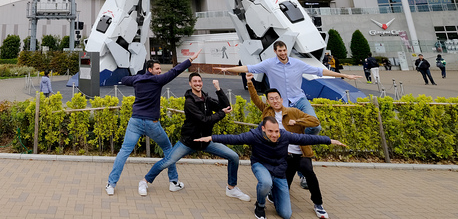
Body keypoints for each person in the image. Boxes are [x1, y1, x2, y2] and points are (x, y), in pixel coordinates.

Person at [195, 117, 345, 219]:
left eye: (276, 131)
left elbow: (306, 138)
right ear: (263, 130)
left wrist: (329, 140)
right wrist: (211, 138)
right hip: (260, 164)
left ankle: (272, 192)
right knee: (265, 182)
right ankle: (260, 205)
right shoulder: (254, 135)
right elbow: (234, 138)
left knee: (286, 214)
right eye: (270, 131)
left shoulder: (284, 135)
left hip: (279, 170)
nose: (274, 135)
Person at [139, 72, 250, 201]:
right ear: (190, 84)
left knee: (234, 157)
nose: (198, 83)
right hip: (188, 142)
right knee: (168, 161)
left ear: (202, 83)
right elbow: (203, 120)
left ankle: (232, 188)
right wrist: (221, 113)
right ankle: (145, 181)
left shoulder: (206, 99)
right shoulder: (189, 102)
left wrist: (218, 89)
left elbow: (226, 107)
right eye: (195, 81)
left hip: (206, 141)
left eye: (199, 81)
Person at [105, 52, 199, 196]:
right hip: (151, 123)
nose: (160, 71)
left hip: (135, 121)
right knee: (168, 149)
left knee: (124, 152)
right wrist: (190, 59)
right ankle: (174, 183)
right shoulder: (158, 80)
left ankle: (111, 184)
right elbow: (175, 71)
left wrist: (138, 76)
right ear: (150, 69)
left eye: (160, 69)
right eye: (157, 69)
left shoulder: (137, 79)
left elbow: (124, 79)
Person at [221, 40, 360, 133]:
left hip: (299, 100)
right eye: (279, 51)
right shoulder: (268, 64)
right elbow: (248, 67)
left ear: (287, 50)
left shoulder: (297, 63)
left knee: (316, 126)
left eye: (284, 50)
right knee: (285, 133)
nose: (282, 53)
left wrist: (345, 76)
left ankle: (302, 140)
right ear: (275, 51)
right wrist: (227, 69)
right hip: (282, 104)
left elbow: (320, 71)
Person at [246, 74, 330, 219]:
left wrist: (297, 122)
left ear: (281, 99)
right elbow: (255, 99)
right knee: (286, 181)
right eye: (271, 99)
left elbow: (315, 122)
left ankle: (318, 204)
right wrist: (249, 82)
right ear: (268, 101)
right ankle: (273, 195)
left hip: (300, 152)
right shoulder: (267, 112)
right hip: (282, 155)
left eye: (277, 98)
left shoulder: (292, 111)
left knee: (309, 172)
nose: (274, 101)